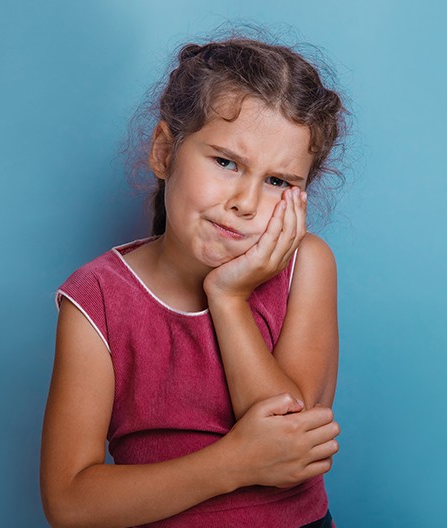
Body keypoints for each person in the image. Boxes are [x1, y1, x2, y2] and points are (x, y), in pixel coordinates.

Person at [40, 31, 347, 528]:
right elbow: (70, 502)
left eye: (277, 181)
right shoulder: (96, 298)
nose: (245, 202)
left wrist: (228, 297)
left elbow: (292, 450)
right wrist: (233, 464)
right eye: (226, 162)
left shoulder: (307, 264)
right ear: (165, 151)